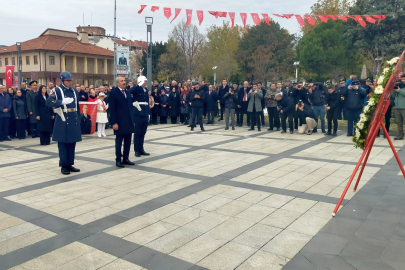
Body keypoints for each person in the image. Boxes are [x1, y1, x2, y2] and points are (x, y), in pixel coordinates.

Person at [46, 71, 81, 175]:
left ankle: (70, 163)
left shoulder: (74, 91)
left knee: (72, 143)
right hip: (62, 119)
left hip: (73, 118)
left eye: (70, 80)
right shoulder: (57, 90)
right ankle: (63, 165)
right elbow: (48, 102)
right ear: (63, 80)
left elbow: (77, 107)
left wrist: (78, 119)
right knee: (63, 144)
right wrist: (60, 102)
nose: (70, 82)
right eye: (68, 80)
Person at [109, 76, 135, 167]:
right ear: (117, 83)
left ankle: (126, 158)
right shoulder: (113, 93)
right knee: (119, 142)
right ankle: (118, 159)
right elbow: (112, 109)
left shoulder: (127, 92)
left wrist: (132, 120)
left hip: (128, 121)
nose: (124, 82)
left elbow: (130, 107)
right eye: (122, 81)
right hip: (119, 122)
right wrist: (114, 122)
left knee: (128, 141)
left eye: (124, 81)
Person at [128, 76, 150, 157]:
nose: (145, 83)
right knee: (137, 133)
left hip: (145, 113)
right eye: (144, 81)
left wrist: (148, 113)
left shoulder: (146, 90)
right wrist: (138, 84)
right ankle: (136, 150)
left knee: (143, 133)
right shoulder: (137, 89)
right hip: (138, 113)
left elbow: (147, 102)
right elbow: (129, 91)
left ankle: (141, 149)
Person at [393, 75, 405, 140]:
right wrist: (394, 90)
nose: (403, 80)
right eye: (402, 79)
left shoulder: (401, 88)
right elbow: (393, 95)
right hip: (397, 107)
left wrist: (399, 90)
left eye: (404, 79)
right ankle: (400, 135)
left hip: (404, 107)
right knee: (399, 122)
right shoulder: (400, 86)